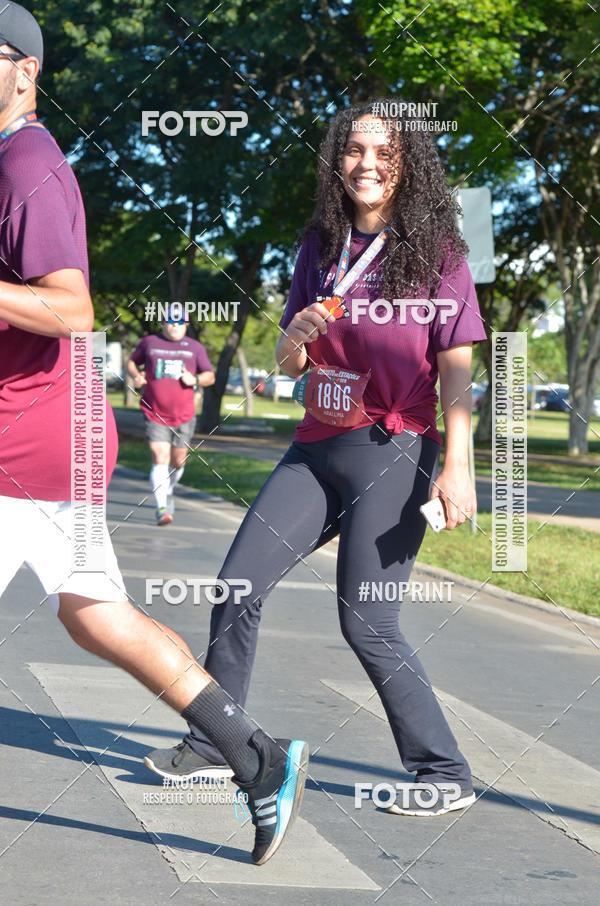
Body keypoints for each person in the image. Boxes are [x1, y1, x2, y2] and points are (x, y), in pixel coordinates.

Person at [0, 3, 307, 864]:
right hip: (50, 439)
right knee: (97, 616)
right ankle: (258, 758)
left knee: (97, 616)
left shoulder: (27, 164)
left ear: (25, 70)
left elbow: (71, 309)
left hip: (24, 447)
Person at [146, 101, 487, 817]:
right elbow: (289, 362)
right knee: (236, 586)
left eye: (384, 152)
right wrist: (294, 336)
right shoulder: (319, 245)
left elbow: (457, 366)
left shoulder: (440, 250)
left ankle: (444, 773)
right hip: (316, 446)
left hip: (396, 446)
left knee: (368, 620)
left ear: (408, 165)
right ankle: (218, 744)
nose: (367, 163)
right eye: (354, 150)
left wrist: (459, 466)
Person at [127, 309, 214, 525]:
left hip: (184, 415)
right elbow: (131, 362)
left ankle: (168, 489)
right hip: (154, 412)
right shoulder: (149, 342)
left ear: (186, 325)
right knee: (160, 456)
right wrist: (137, 376)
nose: (175, 325)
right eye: (170, 321)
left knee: (178, 461)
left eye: (180, 322)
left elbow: (210, 376)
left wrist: (194, 380)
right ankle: (162, 508)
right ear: (163, 323)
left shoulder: (195, 347)